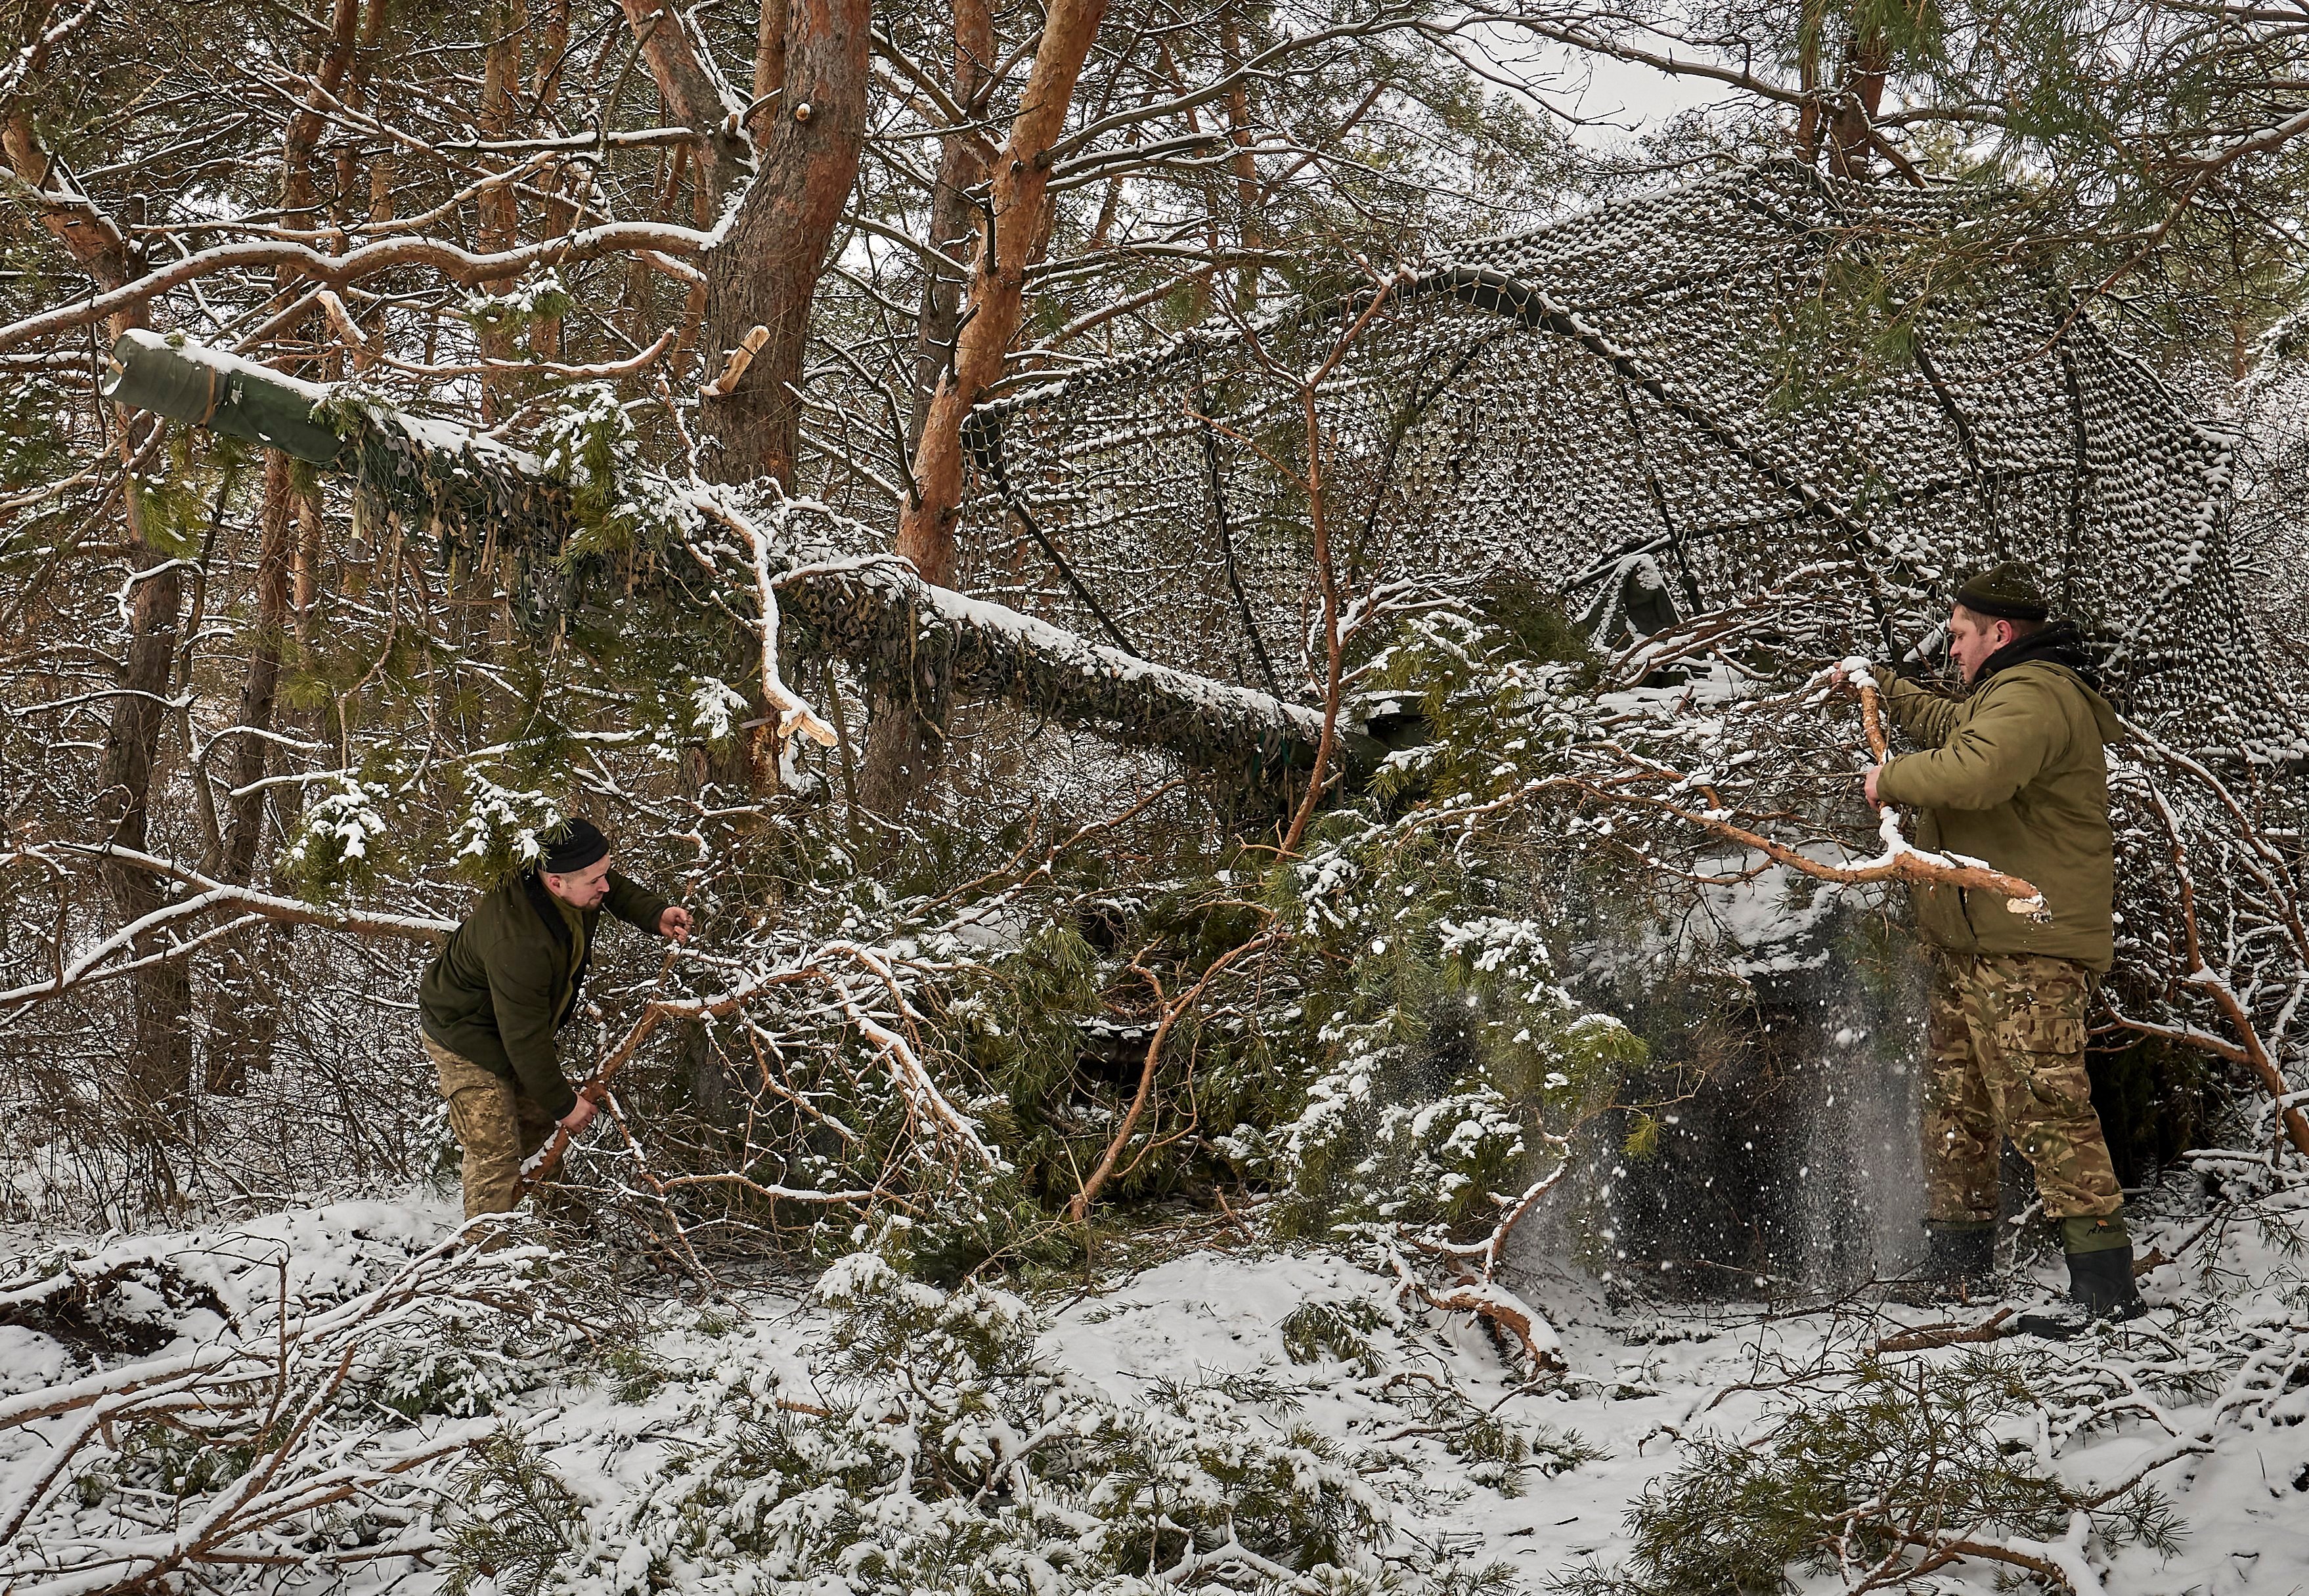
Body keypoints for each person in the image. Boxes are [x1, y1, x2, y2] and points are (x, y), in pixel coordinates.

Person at [1837, 563, 2143, 1337]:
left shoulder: (2038, 694)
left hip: (2026, 946)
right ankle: (1959, 1270)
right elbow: (1958, 728)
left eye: (1961, 635)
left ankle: (2106, 1287)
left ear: (1999, 634)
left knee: (2045, 1103)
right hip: (1973, 943)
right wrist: (1886, 691)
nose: (1953, 650)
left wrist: (1889, 779)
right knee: (1956, 1108)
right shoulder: (2004, 695)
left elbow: (1976, 770)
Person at [417, 818, 692, 1222]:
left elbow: (609, 886)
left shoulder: (567, 873)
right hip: (465, 1033)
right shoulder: (520, 941)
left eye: (605, 873)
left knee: (541, 1130)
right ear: (556, 883)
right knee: (495, 1151)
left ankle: (556, 1244)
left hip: (515, 1025)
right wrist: (566, 1104)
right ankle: (483, 1268)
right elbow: (524, 1040)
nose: (605, 886)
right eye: (595, 879)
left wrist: (655, 914)